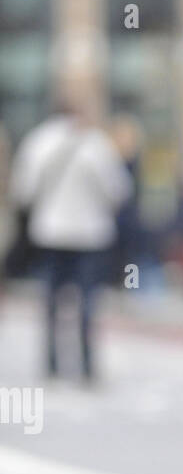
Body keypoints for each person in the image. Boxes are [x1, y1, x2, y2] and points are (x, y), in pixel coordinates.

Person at [8, 100, 133, 380]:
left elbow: (23, 191)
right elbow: (118, 190)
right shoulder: (97, 145)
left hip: (49, 232)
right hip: (91, 234)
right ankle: (87, 365)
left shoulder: (38, 141)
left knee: (51, 302)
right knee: (87, 302)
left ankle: (52, 364)